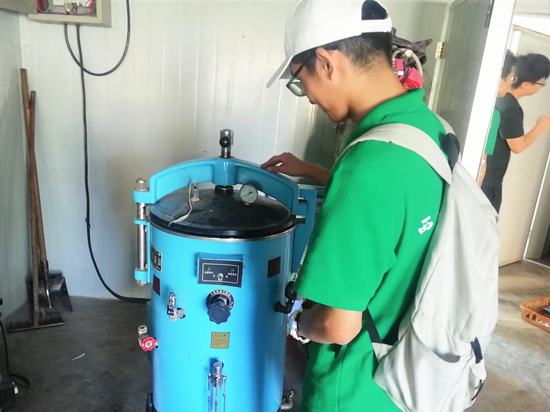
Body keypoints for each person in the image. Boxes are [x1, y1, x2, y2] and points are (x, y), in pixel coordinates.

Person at [263, 1, 447, 411]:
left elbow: (337, 325)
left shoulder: (366, 168)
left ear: (327, 62)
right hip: (412, 376)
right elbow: (393, 205)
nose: (309, 98)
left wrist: (296, 323)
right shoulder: (426, 129)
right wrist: (311, 169)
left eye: (300, 81)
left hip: (354, 389)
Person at [481, 53, 550, 212]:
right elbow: (517, 146)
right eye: (541, 84)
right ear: (525, 84)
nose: (540, 88)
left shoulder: (499, 99)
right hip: (488, 181)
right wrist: (541, 126)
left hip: (483, 175)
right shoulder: (511, 108)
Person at [477, 51, 517, 187]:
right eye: (512, 78)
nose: (511, 83)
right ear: (499, 79)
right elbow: (481, 163)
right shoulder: (491, 115)